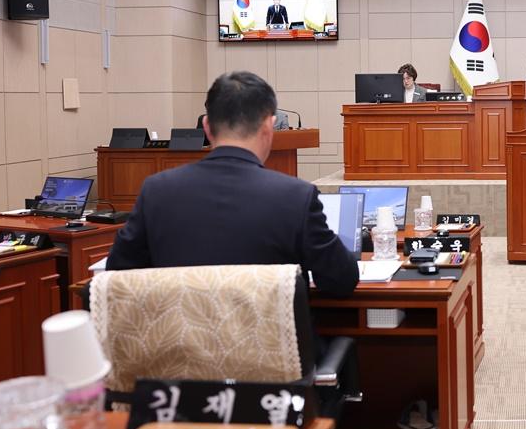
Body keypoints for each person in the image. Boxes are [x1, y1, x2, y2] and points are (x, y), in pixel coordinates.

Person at [108, 71, 359, 296]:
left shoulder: (156, 191)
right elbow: (341, 279)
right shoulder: (296, 196)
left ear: (206, 127)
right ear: (269, 126)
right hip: (269, 347)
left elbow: (117, 276)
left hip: (181, 346)